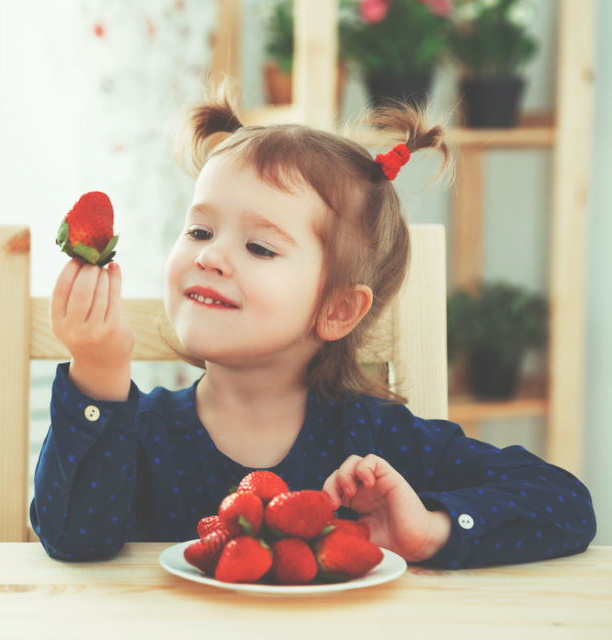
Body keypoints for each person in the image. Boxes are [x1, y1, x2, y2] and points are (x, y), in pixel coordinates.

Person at [29, 88, 596, 569]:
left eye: (258, 246)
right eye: (199, 232)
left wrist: (429, 529)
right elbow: (74, 540)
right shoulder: (142, 432)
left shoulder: (381, 441)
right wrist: (98, 375)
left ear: (338, 310)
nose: (211, 257)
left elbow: (568, 504)